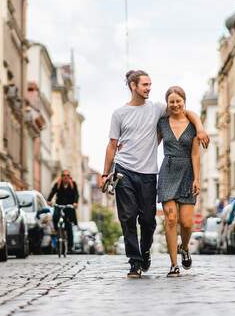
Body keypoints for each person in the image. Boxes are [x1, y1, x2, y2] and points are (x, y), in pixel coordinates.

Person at [101, 70, 209, 279]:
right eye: (145, 85)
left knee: (149, 220)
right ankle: (135, 262)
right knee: (128, 217)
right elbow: (112, 144)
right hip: (124, 169)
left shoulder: (157, 109)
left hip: (149, 173)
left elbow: (185, 112)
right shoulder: (119, 114)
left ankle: (146, 250)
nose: (149, 88)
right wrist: (105, 174)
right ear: (133, 86)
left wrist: (200, 127)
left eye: (150, 84)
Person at [156, 86, 201, 278]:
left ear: (184, 101)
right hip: (167, 170)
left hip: (188, 172)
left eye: (178, 101)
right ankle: (174, 265)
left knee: (187, 222)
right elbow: (152, 144)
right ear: (167, 103)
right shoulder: (162, 123)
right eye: (171, 101)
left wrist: (197, 178)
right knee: (171, 218)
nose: (175, 105)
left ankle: (184, 247)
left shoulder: (193, 123)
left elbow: (196, 154)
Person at [47, 170, 79, 251]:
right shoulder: (58, 184)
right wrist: (49, 200)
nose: (65, 177)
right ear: (61, 176)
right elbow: (52, 192)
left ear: (69, 177)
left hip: (69, 206)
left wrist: (75, 202)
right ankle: (57, 232)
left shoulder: (73, 184)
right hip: (59, 205)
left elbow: (76, 194)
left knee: (68, 226)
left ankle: (70, 246)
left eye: (67, 175)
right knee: (55, 217)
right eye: (64, 175)